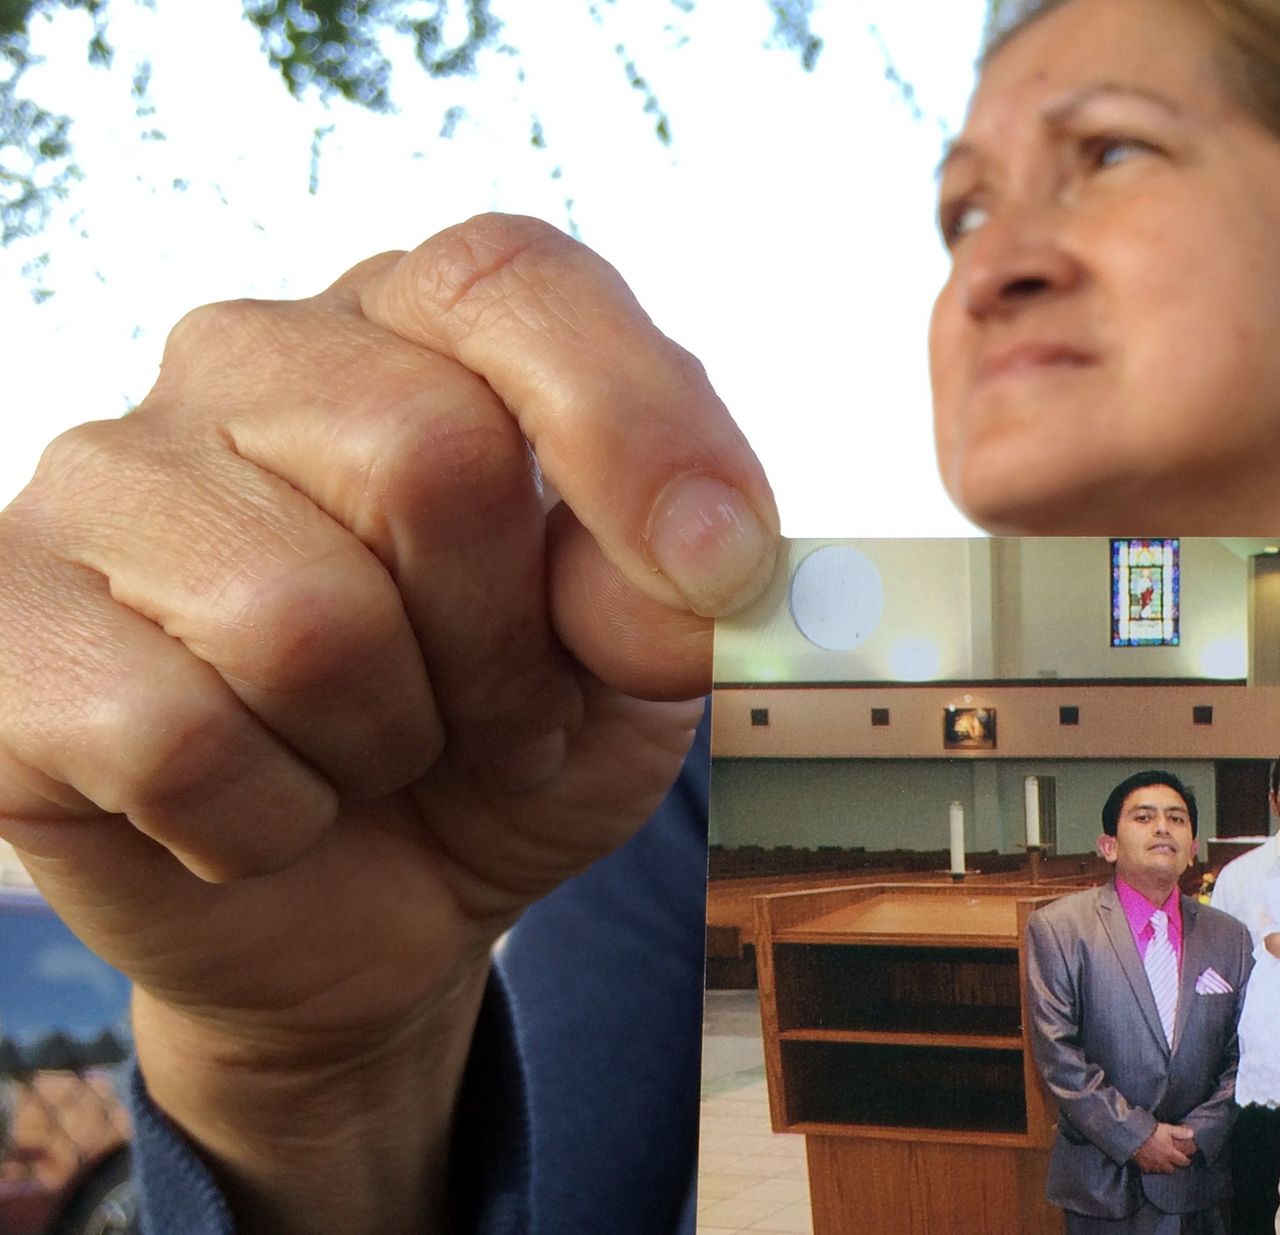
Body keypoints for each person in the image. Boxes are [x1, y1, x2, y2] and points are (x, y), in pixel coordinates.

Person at [4, 0, 1280, 1229]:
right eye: (963, 210)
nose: (991, 263)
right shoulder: (681, 777)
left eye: (1112, 149)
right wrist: (317, 1092)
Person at [1025, 771, 1253, 1234]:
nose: (1163, 827)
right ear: (1108, 846)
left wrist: (1196, 1135)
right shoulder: (1060, 928)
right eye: (1144, 817)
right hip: (1103, 1182)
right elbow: (1057, 1054)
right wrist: (1136, 1136)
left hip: (1198, 1180)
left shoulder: (1228, 935)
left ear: (1192, 851)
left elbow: (1245, 1051)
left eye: (1176, 818)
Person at [1210, 761, 1280, 1235]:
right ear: (1275, 799)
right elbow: (1217, 975)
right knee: (1250, 1213)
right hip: (1260, 1077)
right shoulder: (1239, 878)